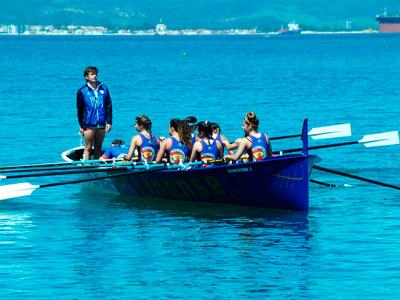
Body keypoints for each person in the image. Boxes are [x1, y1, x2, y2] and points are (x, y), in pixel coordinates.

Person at [77, 66, 112, 160]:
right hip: (88, 123)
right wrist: (81, 125)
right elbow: (80, 110)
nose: (95, 76)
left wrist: (109, 122)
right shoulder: (82, 91)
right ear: (86, 77)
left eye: (96, 74)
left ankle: (97, 168)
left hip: (101, 123)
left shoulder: (104, 89)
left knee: (98, 147)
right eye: (92, 74)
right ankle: (87, 168)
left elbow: (108, 106)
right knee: (88, 147)